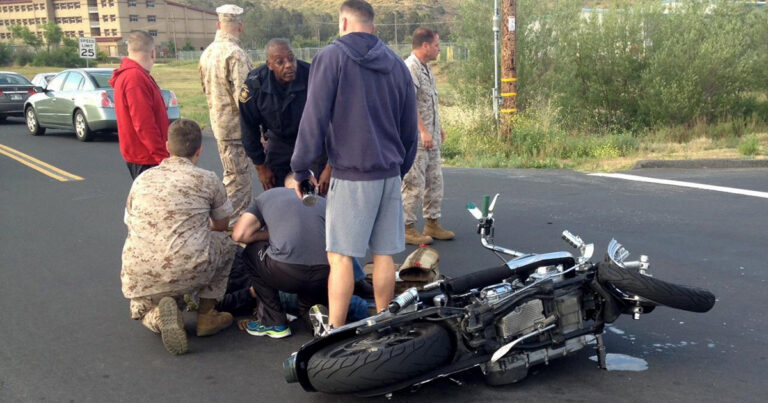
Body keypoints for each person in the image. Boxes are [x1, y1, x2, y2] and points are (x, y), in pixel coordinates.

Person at [290, 0, 419, 330]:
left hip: (351, 174)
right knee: (384, 255)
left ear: (343, 23)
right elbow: (409, 130)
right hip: (389, 172)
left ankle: (334, 330)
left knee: (341, 256)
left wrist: (301, 167)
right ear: (372, 27)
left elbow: (314, 119)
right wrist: (398, 169)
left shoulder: (331, 57)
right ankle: (384, 325)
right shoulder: (395, 63)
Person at [121, 119, 237, 355]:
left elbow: (129, 222)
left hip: (139, 270)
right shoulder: (207, 179)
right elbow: (222, 225)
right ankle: (207, 315)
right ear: (199, 150)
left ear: (167, 146)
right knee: (226, 243)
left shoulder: (142, 180)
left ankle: (158, 317)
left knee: (141, 304)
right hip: (190, 265)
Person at [226, 174, 333, 338]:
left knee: (251, 251)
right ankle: (315, 317)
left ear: (286, 186)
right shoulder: (325, 203)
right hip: (324, 272)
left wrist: (270, 235)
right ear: (314, 185)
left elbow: (239, 235)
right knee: (308, 303)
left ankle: (273, 321)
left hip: (284, 271)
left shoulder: (270, 195)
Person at [239, 39, 332, 194]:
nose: (288, 65)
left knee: (317, 192)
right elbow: (248, 129)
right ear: (269, 65)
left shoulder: (313, 76)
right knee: (277, 193)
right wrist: (260, 167)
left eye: (291, 58)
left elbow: (333, 121)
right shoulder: (254, 86)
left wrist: (330, 167)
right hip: (279, 141)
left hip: (312, 141)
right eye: (280, 62)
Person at [199, 4, 253, 227]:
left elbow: (205, 89)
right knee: (238, 181)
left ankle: (226, 224)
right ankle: (232, 228)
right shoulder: (236, 55)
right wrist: (256, 130)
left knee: (231, 174)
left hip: (219, 125)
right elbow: (245, 98)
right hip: (236, 128)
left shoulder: (207, 53)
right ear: (240, 27)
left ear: (218, 25)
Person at [402, 28, 455, 245]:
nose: (439, 49)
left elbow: (431, 103)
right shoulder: (410, 68)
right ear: (425, 46)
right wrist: (423, 131)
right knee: (414, 182)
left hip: (430, 137)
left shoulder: (426, 68)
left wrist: (437, 128)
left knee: (434, 181)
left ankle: (432, 223)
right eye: (436, 45)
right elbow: (409, 104)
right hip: (417, 138)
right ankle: (407, 227)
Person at [110, 30, 169, 180]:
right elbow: (143, 124)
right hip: (147, 158)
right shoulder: (134, 78)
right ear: (153, 53)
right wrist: (163, 158)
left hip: (146, 156)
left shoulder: (136, 75)